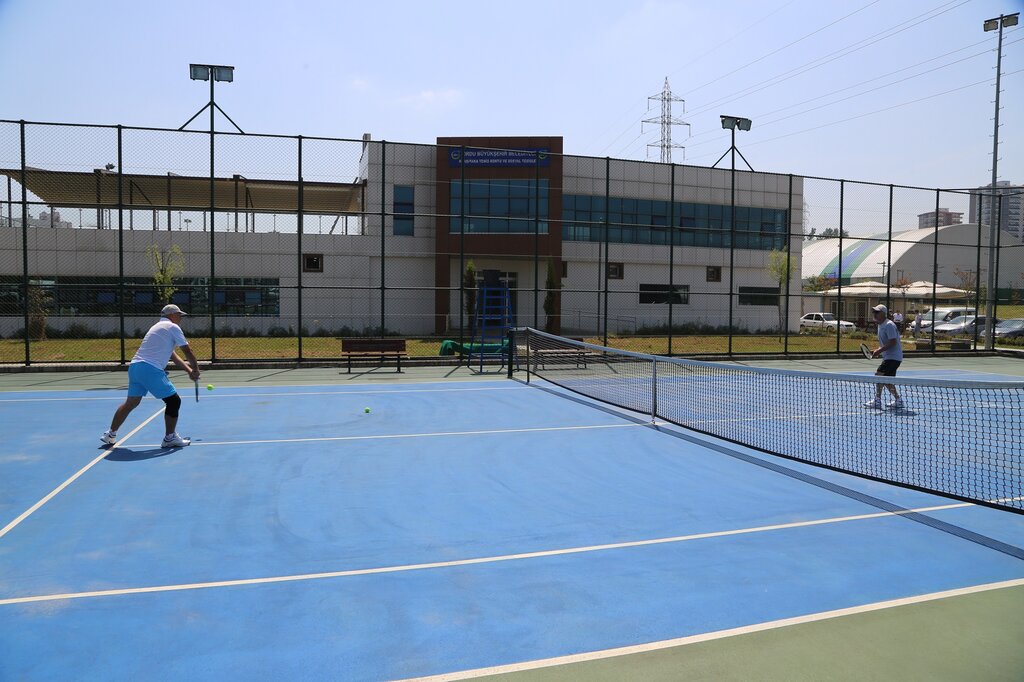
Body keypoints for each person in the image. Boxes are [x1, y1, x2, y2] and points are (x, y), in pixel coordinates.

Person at [101, 304, 200, 448]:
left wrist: (189, 370)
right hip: (149, 369)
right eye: (179, 315)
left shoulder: (157, 328)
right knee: (174, 401)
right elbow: (187, 350)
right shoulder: (173, 327)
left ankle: (110, 434)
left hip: (135, 368)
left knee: (131, 403)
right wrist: (196, 369)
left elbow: (174, 356)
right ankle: (170, 438)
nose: (180, 318)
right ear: (171, 315)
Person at [864, 304, 904, 410]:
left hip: (893, 357)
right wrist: (877, 351)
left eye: (877, 312)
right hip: (890, 357)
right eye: (874, 312)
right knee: (886, 380)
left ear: (883, 314)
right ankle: (898, 400)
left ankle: (877, 400)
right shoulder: (880, 325)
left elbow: (893, 342)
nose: (874, 314)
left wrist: (880, 351)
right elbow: (885, 343)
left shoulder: (889, 325)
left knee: (879, 374)